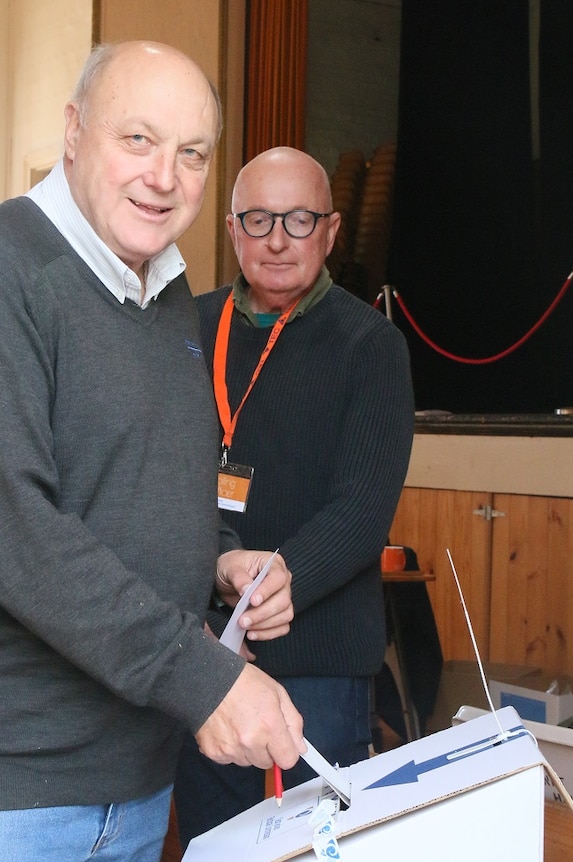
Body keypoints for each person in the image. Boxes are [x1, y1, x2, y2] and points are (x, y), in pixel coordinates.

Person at [0, 42, 305, 862]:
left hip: (134, 780)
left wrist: (221, 562)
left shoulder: (166, 293)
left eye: (192, 153)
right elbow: (13, 531)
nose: (164, 176)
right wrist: (204, 679)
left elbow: (132, 493)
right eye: (137, 140)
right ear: (73, 132)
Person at [174, 146, 415, 848]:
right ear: (231, 230)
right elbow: (161, 484)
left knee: (312, 849)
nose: (277, 238)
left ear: (332, 232)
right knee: (214, 843)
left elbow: (364, 508)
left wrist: (282, 576)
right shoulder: (185, 329)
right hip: (204, 656)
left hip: (320, 664)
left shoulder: (372, 346)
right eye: (259, 219)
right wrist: (221, 569)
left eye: (300, 219)